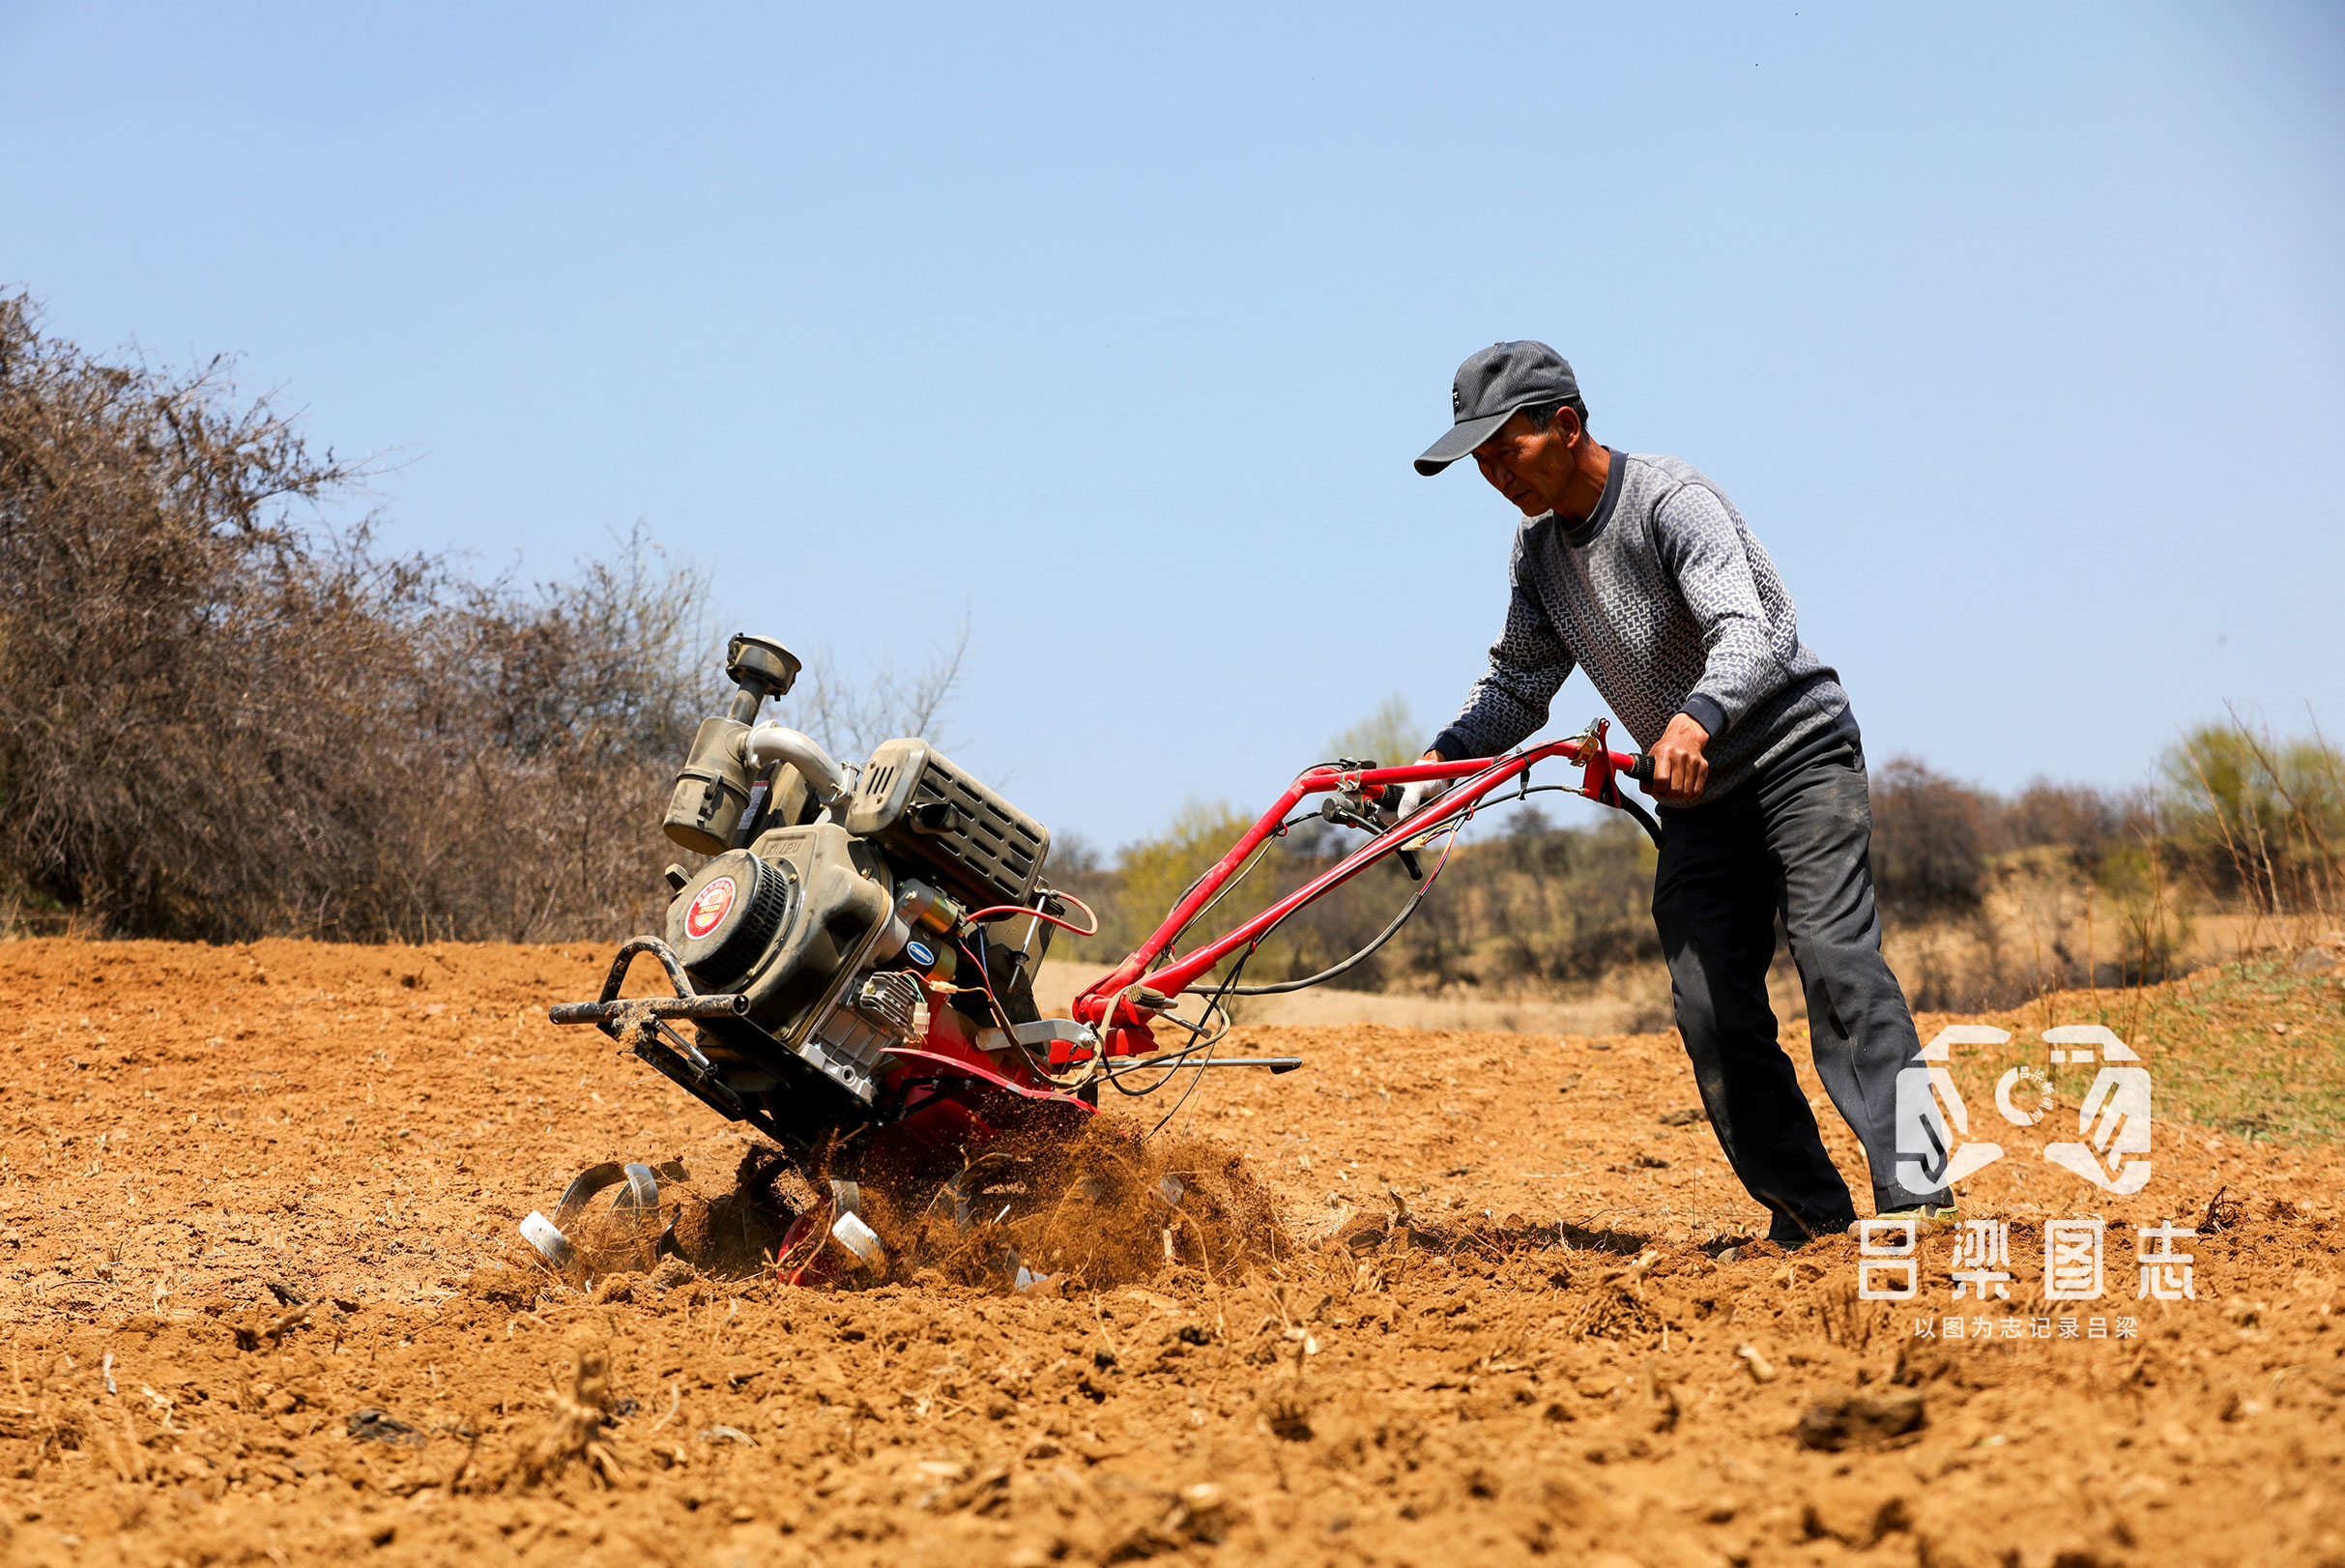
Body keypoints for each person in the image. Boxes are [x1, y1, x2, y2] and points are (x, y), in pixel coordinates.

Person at [1407, 339, 1939, 1247]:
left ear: (1564, 425)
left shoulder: (1669, 500)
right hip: (1695, 799)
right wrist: (1437, 764)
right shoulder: (1537, 555)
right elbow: (1518, 685)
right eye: (1480, 462)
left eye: (1505, 449)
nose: (1494, 475)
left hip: (1796, 756)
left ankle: (1922, 1193)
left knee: (1837, 963)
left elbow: (1750, 629)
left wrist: (1695, 721)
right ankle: (1809, 1217)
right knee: (1709, 1006)